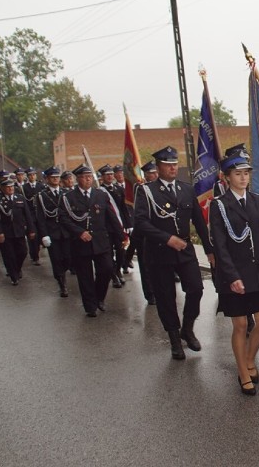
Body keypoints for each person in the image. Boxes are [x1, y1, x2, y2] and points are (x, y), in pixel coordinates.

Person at [134, 146, 214, 359]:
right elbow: (140, 223)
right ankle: (174, 339)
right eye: (167, 165)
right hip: (159, 252)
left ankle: (187, 329)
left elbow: (198, 220)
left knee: (196, 288)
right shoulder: (146, 191)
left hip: (185, 250)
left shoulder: (186, 189)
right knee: (166, 297)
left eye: (174, 164)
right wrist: (167, 238)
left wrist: (209, 250)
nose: (172, 168)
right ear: (158, 167)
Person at [208, 145, 259, 395]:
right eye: (238, 174)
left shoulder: (257, 202)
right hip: (233, 275)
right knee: (239, 325)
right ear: (227, 178)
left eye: (246, 173)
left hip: (257, 272)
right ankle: (242, 371)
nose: (243, 178)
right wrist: (232, 277)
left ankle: (249, 357)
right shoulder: (219, 205)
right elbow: (220, 244)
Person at [60, 165, 125, 317]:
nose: (88, 179)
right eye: (84, 176)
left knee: (107, 269)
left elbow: (111, 216)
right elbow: (63, 218)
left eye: (90, 176)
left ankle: (99, 297)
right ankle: (90, 306)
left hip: (100, 241)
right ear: (77, 179)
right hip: (80, 243)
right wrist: (79, 232)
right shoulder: (68, 198)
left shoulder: (100, 195)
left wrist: (121, 235)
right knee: (85, 275)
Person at [0, 178, 36, 285]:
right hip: (6, 232)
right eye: (8, 187)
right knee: (9, 255)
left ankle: (17, 268)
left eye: (12, 186)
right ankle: (13, 276)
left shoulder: (19, 198)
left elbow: (27, 215)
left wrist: (31, 229)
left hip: (19, 231)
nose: (11, 189)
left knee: (23, 252)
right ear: (2, 189)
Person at [35, 167, 71, 297]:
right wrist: (44, 235)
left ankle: (63, 271)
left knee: (68, 257)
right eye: (52, 177)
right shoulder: (42, 195)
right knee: (56, 259)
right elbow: (40, 217)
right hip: (52, 232)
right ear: (47, 179)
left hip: (66, 232)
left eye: (57, 177)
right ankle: (62, 283)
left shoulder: (66, 193)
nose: (55, 179)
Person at [132, 160, 158, 305]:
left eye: (155, 172)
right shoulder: (140, 188)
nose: (154, 175)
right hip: (144, 232)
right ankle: (150, 293)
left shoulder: (160, 188)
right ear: (146, 175)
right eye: (151, 173)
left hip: (158, 231)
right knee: (145, 264)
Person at [99, 164, 128, 288]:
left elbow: (124, 208)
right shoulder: (99, 192)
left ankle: (118, 269)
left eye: (111, 174)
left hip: (119, 226)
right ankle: (114, 276)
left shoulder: (119, 189)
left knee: (121, 251)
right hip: (107, 228)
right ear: (102, 177)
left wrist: (128, 224)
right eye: (107, 175)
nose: (110, 176)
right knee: (109, 253)